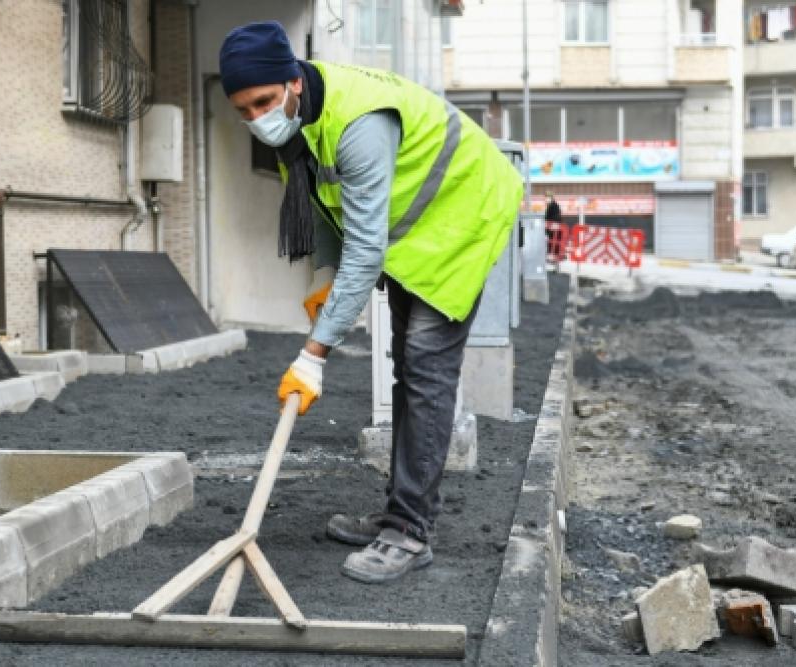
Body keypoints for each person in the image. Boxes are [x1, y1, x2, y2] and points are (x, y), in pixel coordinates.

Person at [219, 21, 522, 584]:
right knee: (409, 369)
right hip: (414, 230)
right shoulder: (297, 126)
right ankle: (399, 513)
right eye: (243, 110)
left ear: (293, 82)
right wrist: (327, 278)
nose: (256, 117)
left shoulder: (356, 122)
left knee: (427, 369)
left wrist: (313, 355)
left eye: (263, 101)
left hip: (461, 218)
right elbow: (324, 203)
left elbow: (366, 246)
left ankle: (409, 533)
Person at [544, 193, 564, 263]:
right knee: (553, 243)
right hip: (554, 227)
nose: (546, 199)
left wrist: (547, 226)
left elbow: (550, 217)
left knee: (553, 242)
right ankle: (553, 256)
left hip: (554, 228)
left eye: (547, 197)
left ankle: (553, 256)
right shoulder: (552, 205)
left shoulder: (553, 206)